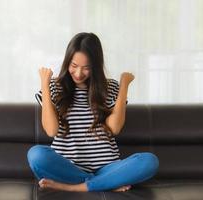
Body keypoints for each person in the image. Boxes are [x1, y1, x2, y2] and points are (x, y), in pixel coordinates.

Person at [27, 32, 159, 192]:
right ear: (67, 61)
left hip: (108, 167)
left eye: (86, 68)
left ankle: (75, 187)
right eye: (74, 66)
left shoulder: (110, 87)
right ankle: (105, 184)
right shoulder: (55, 87)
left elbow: (115, 128)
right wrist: (45, 84)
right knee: (36, 155)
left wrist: (124, 85)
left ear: (95, 66)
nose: (78, 73)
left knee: (149, 161)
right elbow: (51, 130)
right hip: (68, 167)